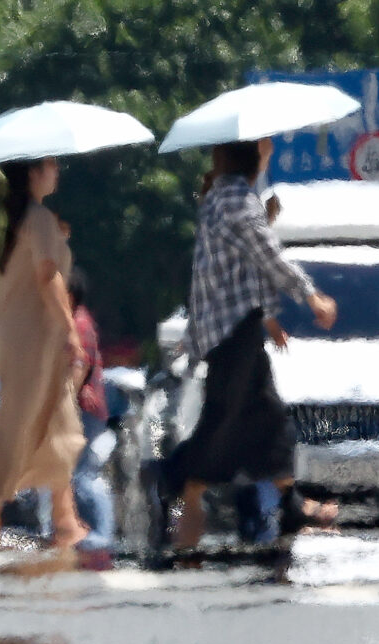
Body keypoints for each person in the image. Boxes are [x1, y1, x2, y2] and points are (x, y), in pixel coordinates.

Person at [146, 138, 339, 551]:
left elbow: (244, 273)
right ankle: (174, 478)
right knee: (224, 418)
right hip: (232, 332)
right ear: (252, 159)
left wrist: (268, 319)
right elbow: (268, 257)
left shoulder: (225, 197)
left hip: (236, 327)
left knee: (268, 417)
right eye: (264, 151)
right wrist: (311, 295)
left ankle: (290, 503)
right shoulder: (236, 200)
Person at [0, 157, 88, 550]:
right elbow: (47, 276)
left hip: (16, 332)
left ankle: (65, 518)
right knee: (22, 420)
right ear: (32, 173)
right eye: (51, 165)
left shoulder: (16, 222)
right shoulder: (37, 218)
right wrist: (70, 329)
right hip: (34, 336)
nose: (58, 170)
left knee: (55, 421)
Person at [67, 267, 116, 558]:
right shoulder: (74, 320)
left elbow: (79, 367)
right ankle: (93, 534)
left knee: (84, 474)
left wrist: (63, 404)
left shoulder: (78, 323)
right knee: (76, 474)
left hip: (84, 409)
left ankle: (101, 535)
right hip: (84, 409)